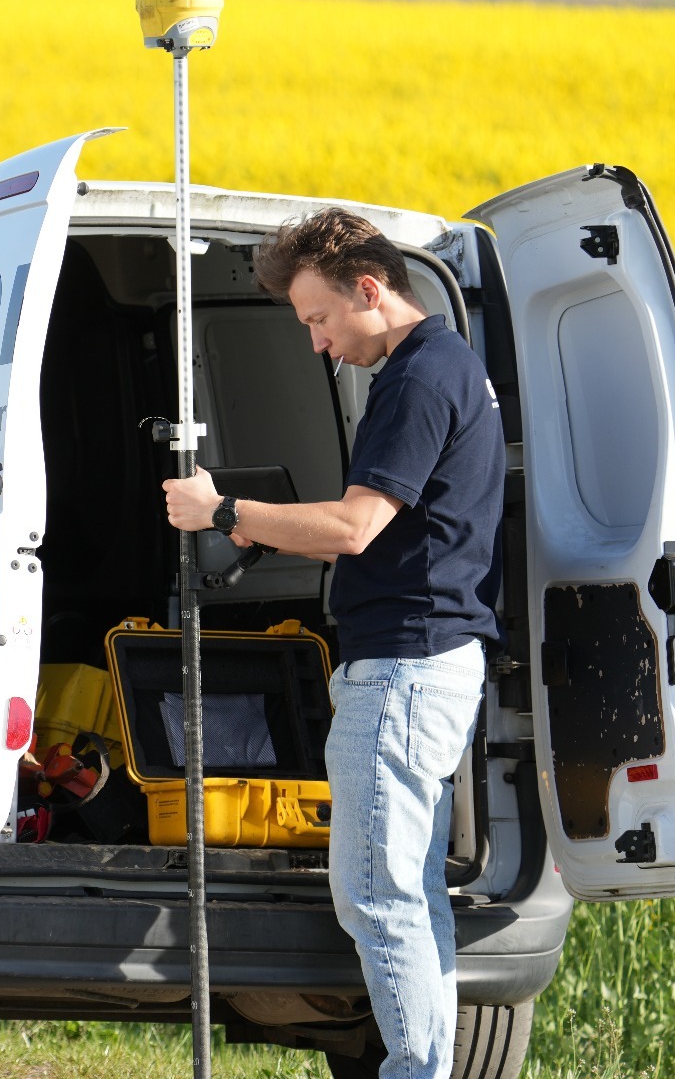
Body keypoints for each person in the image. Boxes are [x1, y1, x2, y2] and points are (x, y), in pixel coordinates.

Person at [161, 207, 504, 1079]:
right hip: (427, 664)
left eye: (317, 320)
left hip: (403, 668)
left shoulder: (419, 379)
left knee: (375, 896)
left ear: (368, 288)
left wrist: (225, 512)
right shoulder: (439, 369)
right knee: (406, 894)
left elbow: (353, 527)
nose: (315, 343)